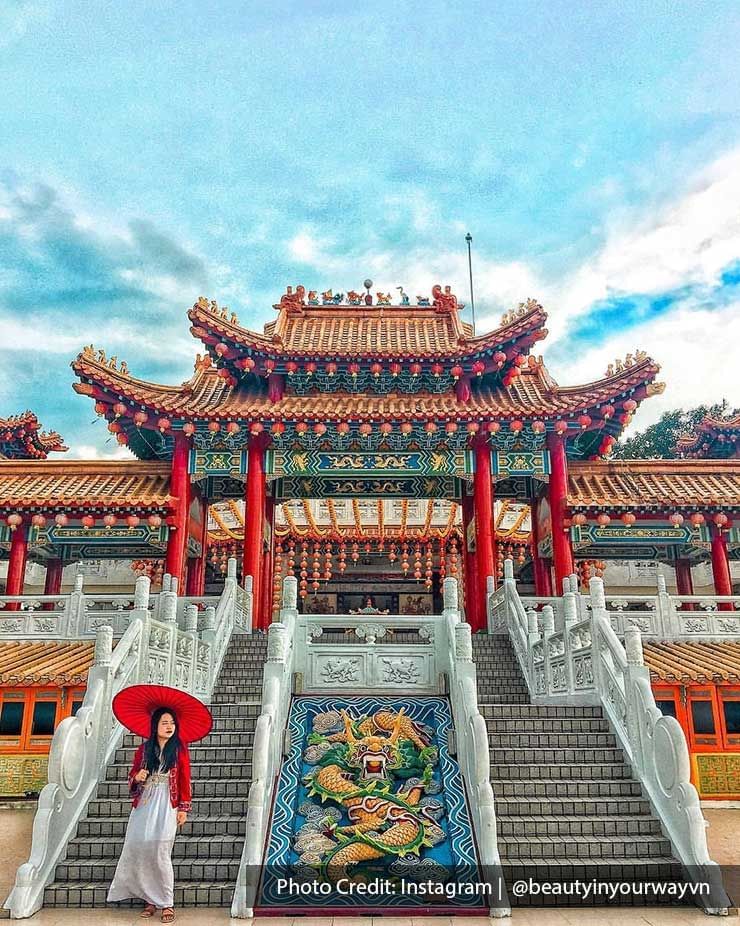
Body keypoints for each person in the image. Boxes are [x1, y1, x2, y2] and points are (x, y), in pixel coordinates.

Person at [107, 706, 192, 923]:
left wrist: (183, 808)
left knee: (160, 850)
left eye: (172, 723)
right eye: (164, 722)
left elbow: (184, 780)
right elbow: (132, 776)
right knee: (142, 847)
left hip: (167, 803)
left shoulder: (179, 749)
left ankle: (167, 902)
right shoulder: (144, 750)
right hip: (145, 802)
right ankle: (150, 899)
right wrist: (137, 776)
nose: (169, 727)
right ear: (155, 725)